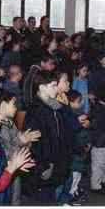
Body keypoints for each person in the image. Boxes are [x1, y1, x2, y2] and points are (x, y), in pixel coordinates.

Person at [24, 71, 72, 204]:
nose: (56, 88)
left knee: (53, 196)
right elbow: (35, 143)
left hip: (57, 161)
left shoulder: (54, 106)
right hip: (45, 165)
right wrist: (44, 165)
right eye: (53, 85)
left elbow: (62, 133)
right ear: (42, 87)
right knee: (45, 200)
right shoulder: (36, 110)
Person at [0, 91, 41, 205]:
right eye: (13, 104)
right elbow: (4, 148)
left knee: (15, 194)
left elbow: (14, 141)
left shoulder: (9, 122)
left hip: (14, 165)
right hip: (6, 167)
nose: (16, 107)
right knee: (10, 196)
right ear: (3, 105)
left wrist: (25, 141)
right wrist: (22, 141)